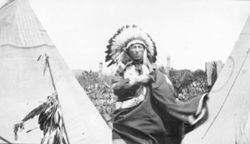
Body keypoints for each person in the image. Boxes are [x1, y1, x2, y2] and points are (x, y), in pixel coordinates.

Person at [105, 25, 207, 144]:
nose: (137, 50)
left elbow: (162, 84)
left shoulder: (150, 69)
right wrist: (134, 81)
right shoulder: (121, 68)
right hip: (127, 115)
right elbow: (116, 87)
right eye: (133, 47)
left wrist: (149, 78)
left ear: (144, 51)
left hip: (147, 113)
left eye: (140, 47)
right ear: (128, 50)